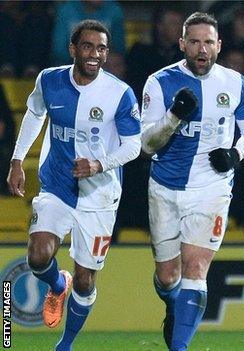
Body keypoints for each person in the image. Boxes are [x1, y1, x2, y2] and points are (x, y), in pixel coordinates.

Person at [5, 19, 141, 351]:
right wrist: (18, 160)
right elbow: (35, 114)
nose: (95, 54)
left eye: (101, 48)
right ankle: (56, 283)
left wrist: (98, 164)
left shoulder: (119, 93)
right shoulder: (49, 80)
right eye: (88, 46)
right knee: (38, 257)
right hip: (57, 186)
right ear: (73, 49)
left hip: (100, 195)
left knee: (86, 279)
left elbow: (133, 146)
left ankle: (65, 344)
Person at [140, 12, 244, 350]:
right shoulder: (159, 82)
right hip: (165, 186)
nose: (202, 48)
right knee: (168, 277)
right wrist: (174, 117)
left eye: (208, 42)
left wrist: (235, 155)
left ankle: (178, 347)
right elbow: (146, 145)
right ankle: (173, 307)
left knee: (195, 267)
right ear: (182, 44)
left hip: (213, 186)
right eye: (194, 42)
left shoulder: (236, 83)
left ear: (219, 46)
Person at [51, 0, 125, 66]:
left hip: (103, 64)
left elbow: (119, 48)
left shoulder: (114, 10)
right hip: (71, 63)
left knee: (116, 64)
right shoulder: (66, 11)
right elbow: (58, 50)